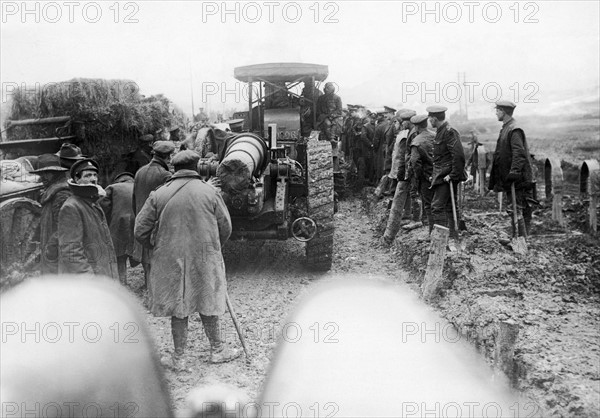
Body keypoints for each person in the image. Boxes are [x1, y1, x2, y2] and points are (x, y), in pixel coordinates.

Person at [134, 150, 240, 369]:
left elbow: (140, 230)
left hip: (171, 258)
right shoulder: (210, 192)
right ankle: (217, 350)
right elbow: (226, 227)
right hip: (205, 255)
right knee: (207, 298)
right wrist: (212, 246)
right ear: (197, 166)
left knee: (179, 304)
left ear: (174, 168)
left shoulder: (159, 194)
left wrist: (157, 247)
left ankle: (179, 357)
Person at [57, 159, 118, 279]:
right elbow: (71, 251)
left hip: (101, 275)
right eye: (88, 175)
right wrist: (89, 280)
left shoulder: (93, 202)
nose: (93, 179)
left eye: (95, 175)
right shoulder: (71, 207)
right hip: (87, 282)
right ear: (77, 179)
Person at [132, 140, 175, 286]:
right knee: (157, 256)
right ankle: (155, 288)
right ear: (168, 157)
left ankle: (148, 284)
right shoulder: (165, 175)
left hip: (141, 218)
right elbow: (168, 203)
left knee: (146, 256)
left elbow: (134, 198)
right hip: (157, 221)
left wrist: (138, 216)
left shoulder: (140, 172)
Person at [488, 100, 534, 237]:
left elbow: (518, 153)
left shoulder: (514, 129)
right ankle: (518, 238)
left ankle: (520, 240)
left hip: (518, 178)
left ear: (503, 111)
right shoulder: (507, 128)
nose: (496, 113)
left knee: (517, 208)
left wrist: (514, 172)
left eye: (497, 110)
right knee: (515, 208)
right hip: (511, 177)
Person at [427, 105, 466, 245]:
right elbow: (440, 157)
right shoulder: (440, 131)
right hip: (441, 175)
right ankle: (452, 237)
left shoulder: (449, 132)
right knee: (449, 207)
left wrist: (453, 174)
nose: (429, 121)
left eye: (430, 118)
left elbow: (458, 155)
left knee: (437, 207)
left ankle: (440, 241)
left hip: (446, 177)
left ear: (434, 118)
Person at [29, 154, 70, 275]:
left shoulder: (61, 194)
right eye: (42, 173)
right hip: (52, 248)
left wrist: (50, 248)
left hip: (58, 250)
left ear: (57, 173)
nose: (43, 177)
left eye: (48, 173)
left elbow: (63, 227)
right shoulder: (52, 191)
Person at [99, 172, 137, 285]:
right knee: (142, 256)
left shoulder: (112, 188)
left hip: (119, 224)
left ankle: (123, 282)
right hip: (138, 224)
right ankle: (147, 283)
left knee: (120, 256)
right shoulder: (138, 187)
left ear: (118, 180)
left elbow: (103, 206)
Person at [405, 114, 436, 233]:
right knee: (437, 203)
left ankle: (431, 232)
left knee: (428, 204)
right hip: (437, 174)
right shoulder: (434, 136)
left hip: (425, 177)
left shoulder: (416, 141)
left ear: (416, 127)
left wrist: (417, 177)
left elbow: (415, 162)